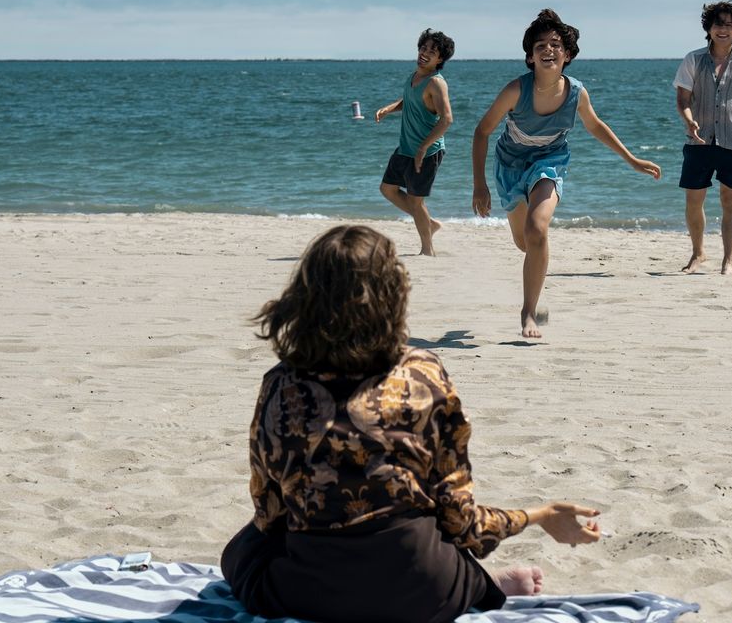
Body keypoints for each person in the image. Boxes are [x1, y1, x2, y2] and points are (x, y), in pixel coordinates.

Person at [220, 225, 602, 623]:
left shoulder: (281, 382)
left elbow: (268, 511)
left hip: (310, 591)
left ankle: (474, 582)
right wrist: (540, 515)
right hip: (422, 588)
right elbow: (461, 521)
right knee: (428, 531)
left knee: (242, 550)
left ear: (304, 299)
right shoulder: (424, 373)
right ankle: (483, 584)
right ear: (393, 296)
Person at [472, 9, 661, 338]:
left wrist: (632, 160)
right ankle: (533, 272)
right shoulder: (516, 91)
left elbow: (595, 126)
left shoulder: (576, 93)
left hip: (550, 160)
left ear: (568, 54)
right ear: (530, 57)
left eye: (555, 44)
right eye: (540, 45)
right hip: (510, 164)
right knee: (524, 242)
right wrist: (479, 185)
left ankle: (528, 312)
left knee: (537, 230)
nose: (548, 49)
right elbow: (482, 132)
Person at [674, 0, 732, 275]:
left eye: (728, 25)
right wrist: (689, 120)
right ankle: (698, 253)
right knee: (693, 199)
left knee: (730, 199)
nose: (722, 29)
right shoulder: (693, 59)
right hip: (699, 141)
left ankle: (728, 260)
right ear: (708, 28)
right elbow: (682, 99)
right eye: (717, 24)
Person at [376, 29, 455, 256]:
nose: (425, 53)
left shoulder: (436, 84)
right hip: (406, 147)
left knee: (415, 200)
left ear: (440, 59)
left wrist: (423, 147)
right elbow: (411, 99)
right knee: (388, 189)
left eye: (432, 51)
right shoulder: (414, 77)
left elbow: (447, 118)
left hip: (427, 152)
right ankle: (428, 223)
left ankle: (427, 249)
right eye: (423, 48)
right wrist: (390, 108)